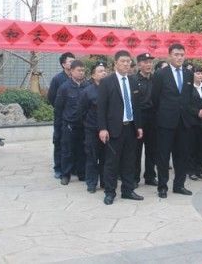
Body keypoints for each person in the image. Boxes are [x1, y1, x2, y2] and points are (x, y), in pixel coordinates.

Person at [97, 50, 144, 205]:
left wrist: (139, 126)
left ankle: (127, 190)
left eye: (128, 61)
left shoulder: (133, 80)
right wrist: (102, 128)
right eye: (123, 61)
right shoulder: (106, 82)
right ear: (115, 63)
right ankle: (110, 192)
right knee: (112, 163)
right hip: (113, 129)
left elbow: (136, 106)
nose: (126, 64)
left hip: (130, 127)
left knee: (129, 162)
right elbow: (101, 107)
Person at [151, 43, 193, 198]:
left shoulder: (189, 74)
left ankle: (179, 185)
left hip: (183, 122)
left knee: (182, 155)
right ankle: (162, 187)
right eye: (176, 54)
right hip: (165, 122)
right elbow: (155, 98)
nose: (179, 57)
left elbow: (188, 96)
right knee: (163, 156)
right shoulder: (160, 74)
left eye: (182, 55)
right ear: (169, 56)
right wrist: (163, 114)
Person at [54, 60, 88, 185]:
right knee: (67, 151)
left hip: (84, 125)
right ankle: (65, 175)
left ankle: (82, 173)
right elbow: (58, 109)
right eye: (79, 70)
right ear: (72, 71)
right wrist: (58, 128)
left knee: (82, 150)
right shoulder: (64, 87)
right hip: (69, 125)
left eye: (83, 70)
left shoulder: (88, 86)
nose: (81, 73)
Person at [78, 61, 107, 193]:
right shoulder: (87, 91)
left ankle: (105, 181)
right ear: (93, 75)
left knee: (106, 157)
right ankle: (91, 183)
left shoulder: (110, 89)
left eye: (104, 71)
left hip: (107, 130)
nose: (104, 73)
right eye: (100, 71)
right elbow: (81, 111)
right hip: (92, 129)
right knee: (92, 157)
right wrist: (88, 124)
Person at [48, 52, 76, 179]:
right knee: (59, 141)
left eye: (74, 61)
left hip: (75, 117)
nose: (73, 63)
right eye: (70, 61)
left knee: (74, 142)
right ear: (64, 64)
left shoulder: (78, 77)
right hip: (61, 117)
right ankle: (58, 168)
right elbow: (51, 97)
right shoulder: (57, 79)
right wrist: (62, 110)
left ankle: (73, 167)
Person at [134, 53, 158, 187]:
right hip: (139, 117)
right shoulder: (133, 80)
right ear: (139, 64)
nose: (149, 65)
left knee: (152, 149)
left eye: (150, 62)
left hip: (153, 117)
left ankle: (150, 176)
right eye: (145, 62)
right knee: (136, 150)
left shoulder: (156, 79)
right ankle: (134, 178)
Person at [188, 65, 202, 181]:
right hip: (192, 122)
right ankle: (191, 170)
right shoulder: (188, 88)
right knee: (192, 147)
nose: (200, 75)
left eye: (201, 73)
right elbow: (186, 104)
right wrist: (197, 112)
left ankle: (199, 170)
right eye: (197, 73)